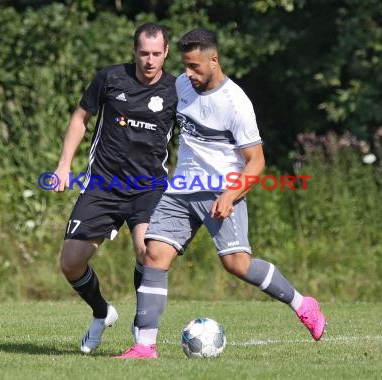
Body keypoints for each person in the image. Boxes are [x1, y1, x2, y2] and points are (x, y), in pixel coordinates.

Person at [116, 28, 326, 359]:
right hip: (182, 186)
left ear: (214, 61)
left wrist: (230, 195)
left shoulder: (236, 104)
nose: (187, 73)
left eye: (195, 66)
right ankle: (144, 346)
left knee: (237, 265)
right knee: (153, 254)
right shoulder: (184, 85)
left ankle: (303, 303)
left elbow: (256, 162)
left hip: (221, 189)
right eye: (185, 65)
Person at [52, 22, 177, 354]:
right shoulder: (110, 78)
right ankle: (102, 312)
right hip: (103, 185)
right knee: (70, 263)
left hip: (148, 187)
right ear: (134, 51)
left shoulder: (177, 90)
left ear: (166, 52)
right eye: (143, 53)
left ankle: (143, 326)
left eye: (156, 54)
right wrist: (64, 165)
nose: (149, 61)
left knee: (148, 251)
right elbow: (81, 118)